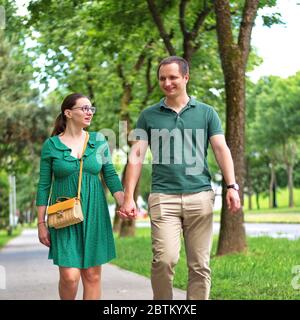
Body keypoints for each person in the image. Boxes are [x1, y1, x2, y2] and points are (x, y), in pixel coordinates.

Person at [120, 56, 241, 300]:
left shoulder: (207, 112)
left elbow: (221, 149)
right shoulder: (148, 115)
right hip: (164, 197)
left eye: (173, 77)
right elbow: (136, 155)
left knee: (199, 265)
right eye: (162, 78)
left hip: (200, 195)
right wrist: (129, 197)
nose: (167, 82)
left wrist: (231, 186)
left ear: (186, 77)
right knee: (164, 260)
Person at [36, 93, 124, 300]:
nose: (89, 112)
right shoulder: (51, 145)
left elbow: (110, 174)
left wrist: (124, 202)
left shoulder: (98, 140)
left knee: (92, 276)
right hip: (64, 216)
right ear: (68, 113)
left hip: (95, 214)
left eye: (91, 108)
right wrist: (41, 222)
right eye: (84, 108)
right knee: (70, 276)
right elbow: (43, 185)